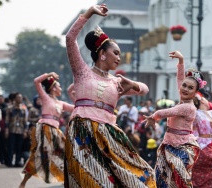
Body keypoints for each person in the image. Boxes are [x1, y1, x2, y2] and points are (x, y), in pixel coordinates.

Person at [64, 4, 155, 187]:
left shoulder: (117, 82)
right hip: (83, 132)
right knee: (90, 181)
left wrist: (134, 84)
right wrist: (89, 13)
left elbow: (145, 89)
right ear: (102, 54)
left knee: (142, 176)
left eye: (120, 54)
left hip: (109, 135)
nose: (119, 57)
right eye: (116, 53)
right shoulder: (82, 72)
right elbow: (70, 38)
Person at [144, 50, 203, 188]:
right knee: (160, 178)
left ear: (195, 93)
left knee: (179, 181)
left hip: (182, 148)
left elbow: (168, 112)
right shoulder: (183, 99)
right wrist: (181, 61)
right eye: (184, 86)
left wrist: (154, 116)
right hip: (168, 144)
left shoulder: (188, 107)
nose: (185, 89)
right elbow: (179, 79)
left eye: (190, 88)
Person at [19, 72, 74, 188]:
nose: (61, 88)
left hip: (56, 132)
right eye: (59, 86)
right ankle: (23, 183)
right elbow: (36, 81)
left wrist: (78, 98)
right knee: (39, 157)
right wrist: (48, 74)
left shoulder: (61, 103)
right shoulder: (45, 97)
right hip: (45, 130)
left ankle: (66, 180)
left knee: (67, 154)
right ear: (53, 88)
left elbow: (75, 109)